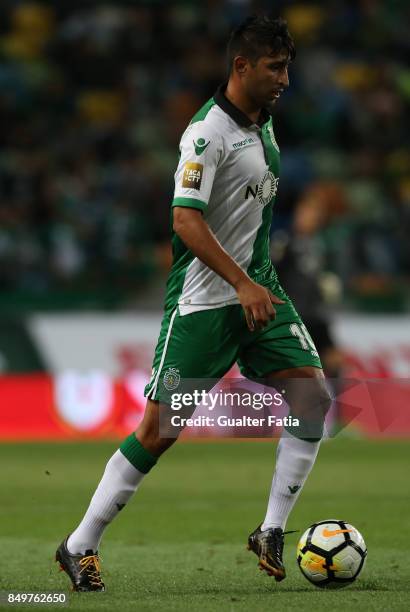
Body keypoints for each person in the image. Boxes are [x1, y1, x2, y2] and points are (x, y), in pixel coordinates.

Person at [56, 15, 331, 592]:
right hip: (207, 303)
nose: (285, 78)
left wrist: (255, 281)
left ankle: (271, 529)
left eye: (288, 67)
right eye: (275, 68)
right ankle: (80, 544)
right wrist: (240, 283)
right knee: (159, 431)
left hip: (259, 289)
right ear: (241, 66)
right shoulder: (205, 135)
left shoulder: (265, 123)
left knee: (312, 394)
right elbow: (184, 220)